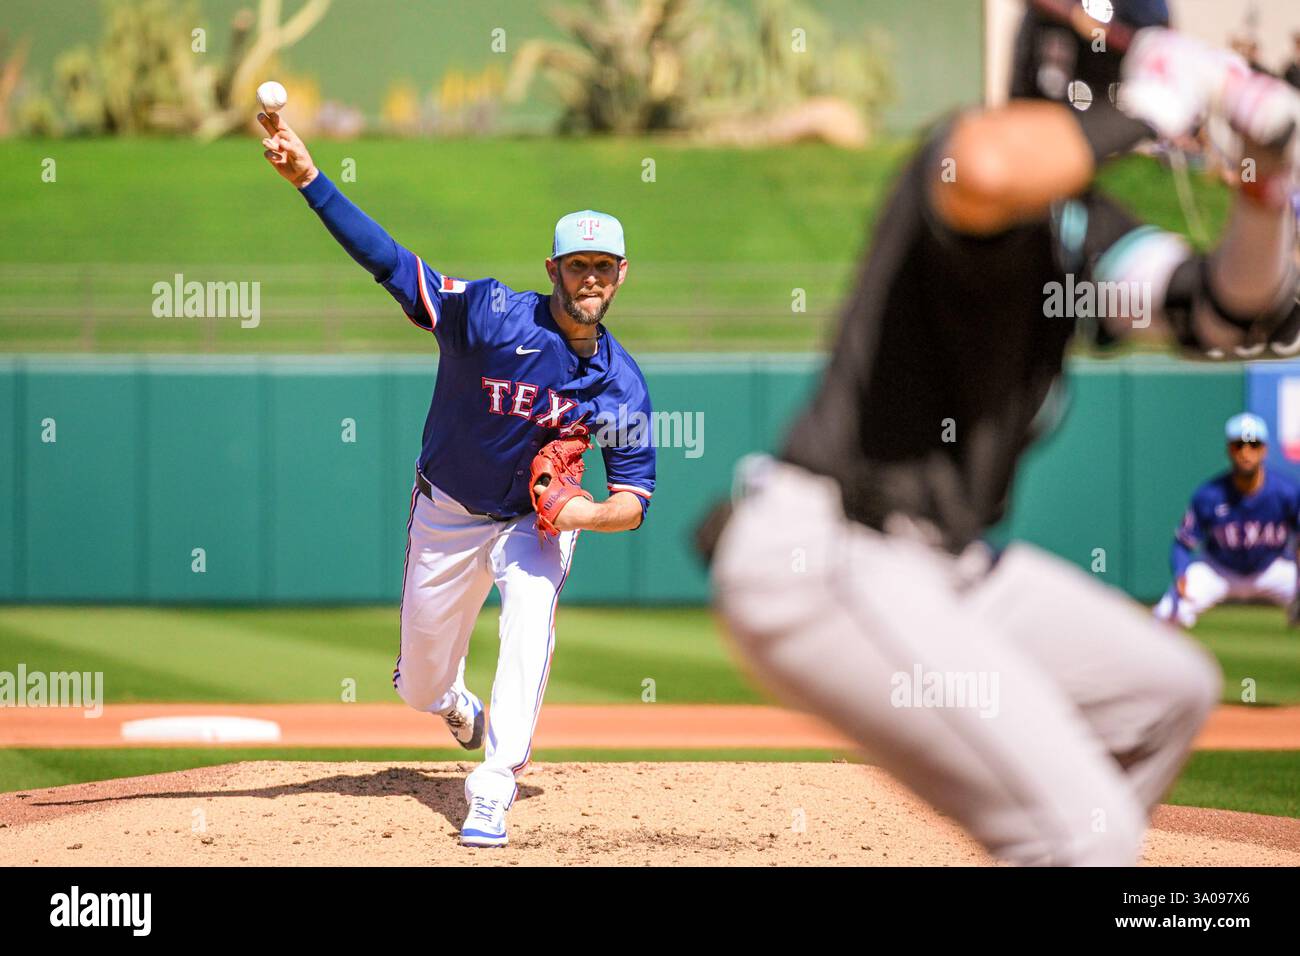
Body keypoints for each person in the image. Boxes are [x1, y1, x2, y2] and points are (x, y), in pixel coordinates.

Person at [702, 1, 1300, 865]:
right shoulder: (960, 150)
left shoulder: (1079, 227)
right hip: (829, 550)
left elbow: (1220, 310)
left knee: (1169, 690)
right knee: (1083, 834)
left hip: (941, 565)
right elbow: (988, 165)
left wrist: (1263, 195)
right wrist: (1154, 107)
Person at [256, 111, 656, 848]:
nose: (591, 279)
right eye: (578, 265)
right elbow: (392, 264)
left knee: (532, 613)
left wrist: (580, 515)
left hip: (531, 527)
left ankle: (493, 785)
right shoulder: (492, 316)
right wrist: (311, 181)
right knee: (417, 688)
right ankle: (451, 701)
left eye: (604, 266)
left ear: (621, 274)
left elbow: (632, 501)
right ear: (554, 270)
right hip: (447, 513)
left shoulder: (621, 385)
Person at [1154, 413, 1300, 628]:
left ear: (1264, 450)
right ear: (1229, 449)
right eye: (1238, 445)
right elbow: (1182, 544)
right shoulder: (1209, 495)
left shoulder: (1286, 492)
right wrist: (1181, 572)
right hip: (1218, 570)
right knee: (1167, 612)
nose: (1246, 452)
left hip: (1272, 568)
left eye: (1253, 445)